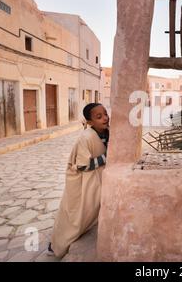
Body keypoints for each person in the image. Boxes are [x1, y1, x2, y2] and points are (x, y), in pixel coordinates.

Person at [48, 103, 110, 258]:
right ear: (89, 122)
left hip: (94, 178)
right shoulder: (86, 137)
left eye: (105, 114)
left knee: (89, 213)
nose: (105, 118)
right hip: (81, 180)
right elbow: (82, 166)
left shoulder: (108, 132)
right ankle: (58, 244)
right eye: (99, 116)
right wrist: (107, 157)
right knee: (74, 214)